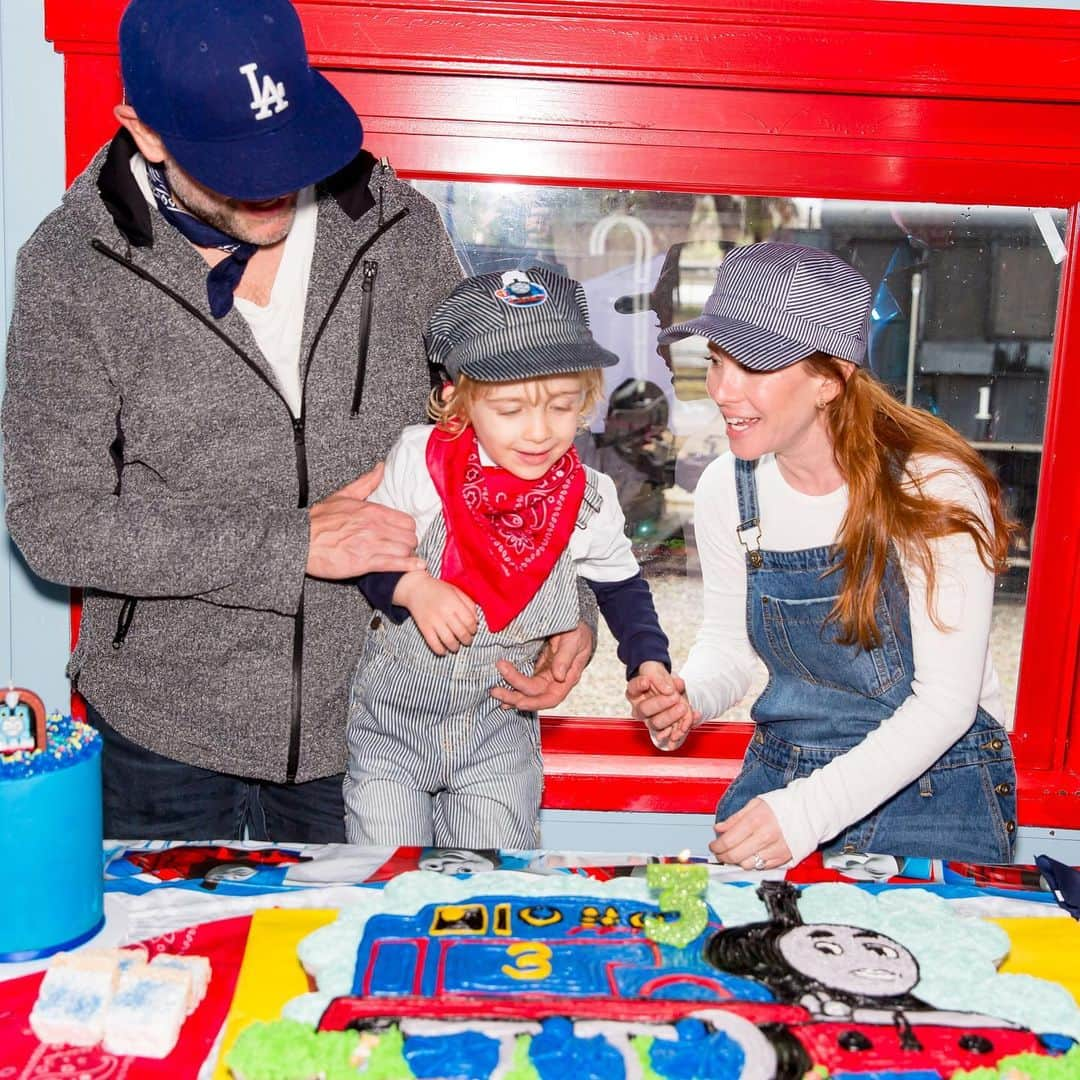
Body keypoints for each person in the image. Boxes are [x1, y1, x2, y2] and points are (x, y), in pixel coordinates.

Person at [2, 0, 591, 844]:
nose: (278, 182)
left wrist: (566, 607)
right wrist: (290, 544)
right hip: (163, 740)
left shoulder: (400, 229)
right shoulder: (71, 270)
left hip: (377, 719)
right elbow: (54, 522)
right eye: (235, 163)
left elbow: (498, 435)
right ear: (146, 131)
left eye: (288, 143)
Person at [627, 242, 1018, 869]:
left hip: (935, 787)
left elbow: (945, 703)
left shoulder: (930, 488)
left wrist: (805, 813)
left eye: (753, 365)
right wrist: (689, 695)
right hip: (788, 775)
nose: (722, 389)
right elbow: (728, 647)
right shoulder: (729, 488)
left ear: (831, 379)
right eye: (718, 359)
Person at [344, 267, 676, 848]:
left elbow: (622, 588)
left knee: (491, 882)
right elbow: (367, 553)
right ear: (458, 402)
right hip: (390, 737)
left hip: (496, 738)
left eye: (561, 406)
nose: (539, 431)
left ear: (586, 400)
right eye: (510, 409)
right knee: (384, 873)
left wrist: (647, 661)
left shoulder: (589, 500)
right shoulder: (419, 461)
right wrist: (413, 589)